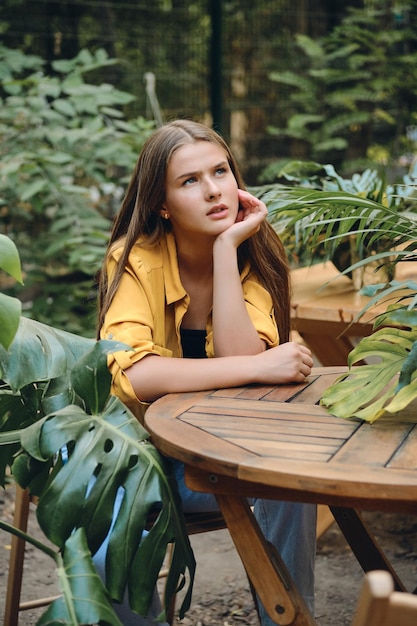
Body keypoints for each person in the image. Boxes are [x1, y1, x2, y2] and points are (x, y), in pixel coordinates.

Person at [96, 119, 316, 625]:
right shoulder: (132, 261)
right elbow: (135, 376)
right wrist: (260, 364)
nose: (214, 189)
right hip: (139, 459)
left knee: (291, 484)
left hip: (222, 458)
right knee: (111, 521)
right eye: (190, 180)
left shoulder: (253, 259)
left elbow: (245, 369)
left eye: (220, 171)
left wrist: (224, 250)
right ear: (161, 204)